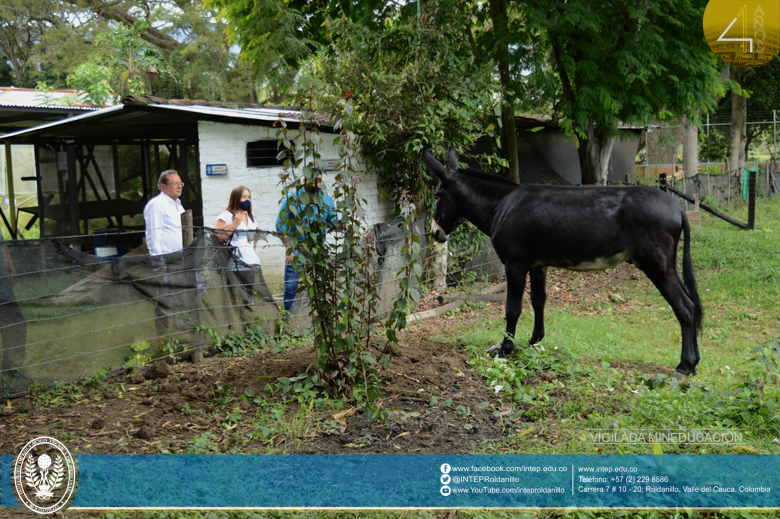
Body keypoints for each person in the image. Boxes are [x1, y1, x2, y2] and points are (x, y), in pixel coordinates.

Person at [276, 173, 337, 312]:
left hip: (318, 251)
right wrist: (288, 247)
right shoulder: (292, 199)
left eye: (319, 181)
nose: (317, 185)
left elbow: (333, 221)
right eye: (313, 181)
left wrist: (345, 224)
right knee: (292, 287)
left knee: (317, 287)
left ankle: (313, 322)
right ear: (304, 181)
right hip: (297, 250)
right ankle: (289, 321)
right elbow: (280, 224)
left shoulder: (326, 200)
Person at [0, 232, 28, 394]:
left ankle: (11, 370)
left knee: (16, 323)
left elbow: (2, 243)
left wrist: (10, 267)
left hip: (2, 282)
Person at [143, 170, 185, 266]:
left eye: (180, 183)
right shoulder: (156, 205)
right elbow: (153, 235)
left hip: (182, 259)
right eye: (175, 184)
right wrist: (159, 264)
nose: (179, 187)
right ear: (163, 186)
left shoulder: (179, 205)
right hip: (167, 261)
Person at [215, 185, 261, 269]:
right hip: (235, 264)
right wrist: (234, 224)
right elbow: (219, 237)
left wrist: (252, 247)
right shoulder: (226, 215)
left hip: (252, 262)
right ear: (236, 199)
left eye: (249, 197)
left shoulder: (250, 216)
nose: (247, 200)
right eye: (243, 197)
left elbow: (256, 232)